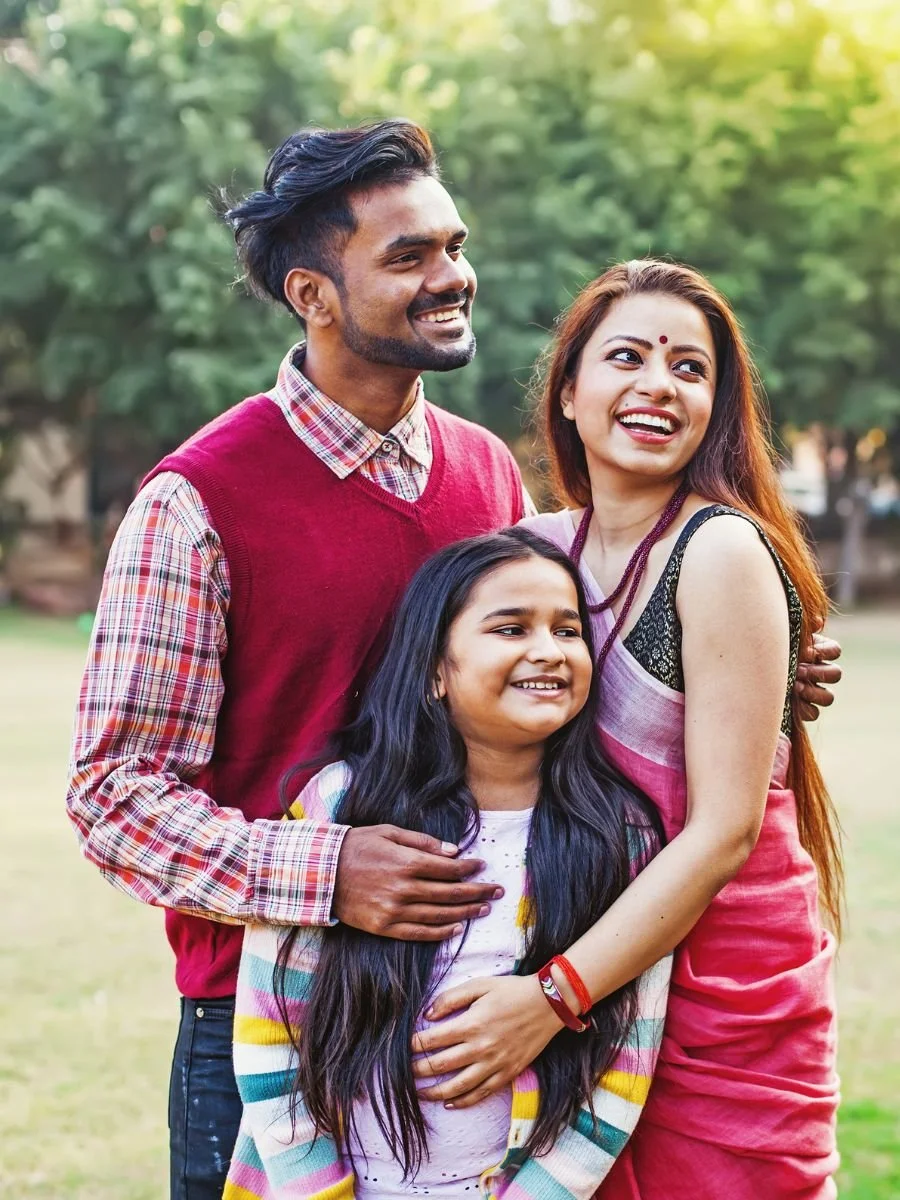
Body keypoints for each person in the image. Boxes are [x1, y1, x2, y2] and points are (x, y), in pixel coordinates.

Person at [65, 117, 841, 1197]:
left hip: (509, 1003)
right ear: (312, 295)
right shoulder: (196, 502)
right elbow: (113, 798)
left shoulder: (487, 479)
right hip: (280, 1017)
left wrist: (755, 666)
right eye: (409, 257)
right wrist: (331, 872)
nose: (452, 278)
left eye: (454, 246)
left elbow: (558, 664)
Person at [410, 260, 841, 1198]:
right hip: (588, 952)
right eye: (628, 357)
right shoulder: (539, 554)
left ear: (716, 406)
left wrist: (550, 998)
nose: (659, 384)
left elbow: (725, 832)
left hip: (714, 985)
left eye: (690, 368)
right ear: (569, 391)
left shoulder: (720, 550)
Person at [225, 529, 672, 1200]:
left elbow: (622, 1069)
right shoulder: (342, 808)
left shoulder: (622, 838)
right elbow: (271, 1038)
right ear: (436, 669)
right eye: (511, 628)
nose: (547, 651)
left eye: (568, 630)